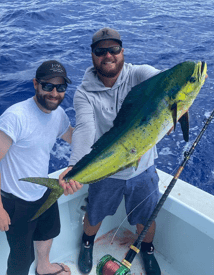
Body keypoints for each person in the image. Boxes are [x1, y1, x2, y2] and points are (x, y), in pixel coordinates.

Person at [67, 28, 162, 275]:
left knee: (147, 217)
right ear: (92, 55)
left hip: (143, 168)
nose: (108, 55)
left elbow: (163, 82)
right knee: (94, 214)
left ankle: (147, 250)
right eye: (101, 51)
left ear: (123, 51)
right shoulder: (84, 93)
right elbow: (85, 129)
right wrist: (74, 165)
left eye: (114, 49)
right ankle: (87, 244)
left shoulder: (139, 74)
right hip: (106, 171)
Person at [0, 60, 81, 275]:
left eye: (61, 87)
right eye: (48, 86)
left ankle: (44, 267)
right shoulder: (15, 117)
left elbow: (74, 138)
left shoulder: (58, 115)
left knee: (48, 233)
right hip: (16, 200)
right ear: (36, 84)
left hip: (44, 189)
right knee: (22, 257)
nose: (54, 93)